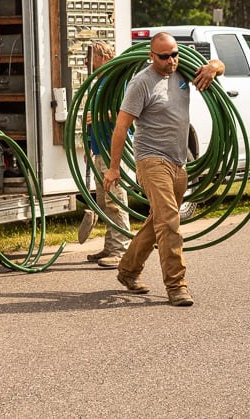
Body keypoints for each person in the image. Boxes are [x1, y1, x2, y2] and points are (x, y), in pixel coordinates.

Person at [103, 32, 224, 307]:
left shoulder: (183, 71)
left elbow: (219, 65)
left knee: (157, 221)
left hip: (179, 161)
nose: (171, 60)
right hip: (150, 159)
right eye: (164, 56)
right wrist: (113, 168)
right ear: (151, 56)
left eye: (174, 54)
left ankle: (128, 271)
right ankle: (176, 285)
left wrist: (213, 67)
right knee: (170, 222)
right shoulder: (141, 83)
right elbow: (121, 126)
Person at [77, 40, 130, 268]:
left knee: (115, 200)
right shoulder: (97, 83)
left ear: (106, 58)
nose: (87, 61)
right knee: (104, 201)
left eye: (92, 57)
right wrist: (90, 146)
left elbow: (125, 111)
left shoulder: (116, 81)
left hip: (112, 150)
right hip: (99, 148)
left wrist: (100, 116)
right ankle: (110, 246)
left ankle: (120, 250)